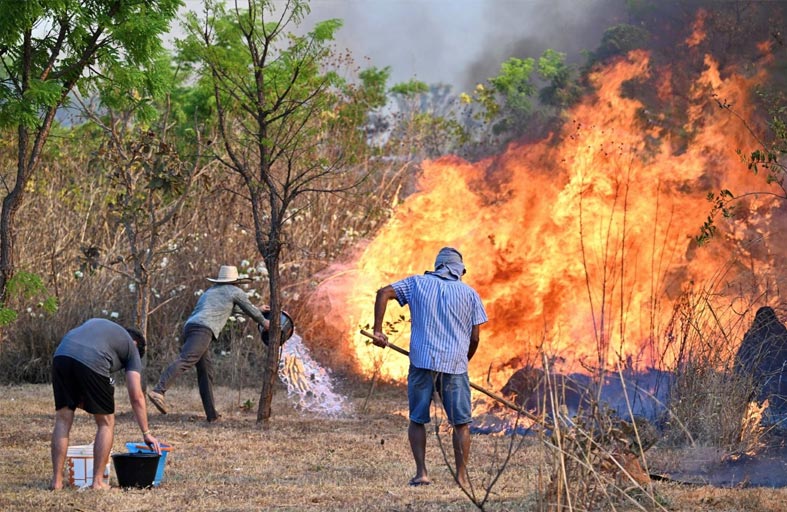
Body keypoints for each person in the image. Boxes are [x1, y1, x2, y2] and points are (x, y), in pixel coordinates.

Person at [371, 247, 487, 488]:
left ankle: (422, 473)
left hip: (421, 362)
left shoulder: (417, 283)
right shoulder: (470, 294)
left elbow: (383, 292)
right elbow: (475, 337)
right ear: (459, 270)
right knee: (461, 423)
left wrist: (378, 331)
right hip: (455, 365)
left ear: (437, 266)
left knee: (417, 418)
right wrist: (463, 360)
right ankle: (461, 478)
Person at [147, 265, 270, 422]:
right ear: (235, 281)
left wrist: (258, 309)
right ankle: (158, 391)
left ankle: (212, 416)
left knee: (205, 372)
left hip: (191, 327)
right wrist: (264, 322)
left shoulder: (210, 291)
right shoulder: (235, 291)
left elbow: (230, 309)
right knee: (186, 359)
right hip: (203, 330)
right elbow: (249, 310)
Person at [50, 318, 161, 490]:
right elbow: (136, 396)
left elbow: (78, 365)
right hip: (93, 359)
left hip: (61, 355)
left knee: (63, 419)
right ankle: (98, 482)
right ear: (135, 344)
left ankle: (56, 482)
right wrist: (146, 433)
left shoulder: (102, 327)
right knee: (106, 423)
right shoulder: (132, 348)